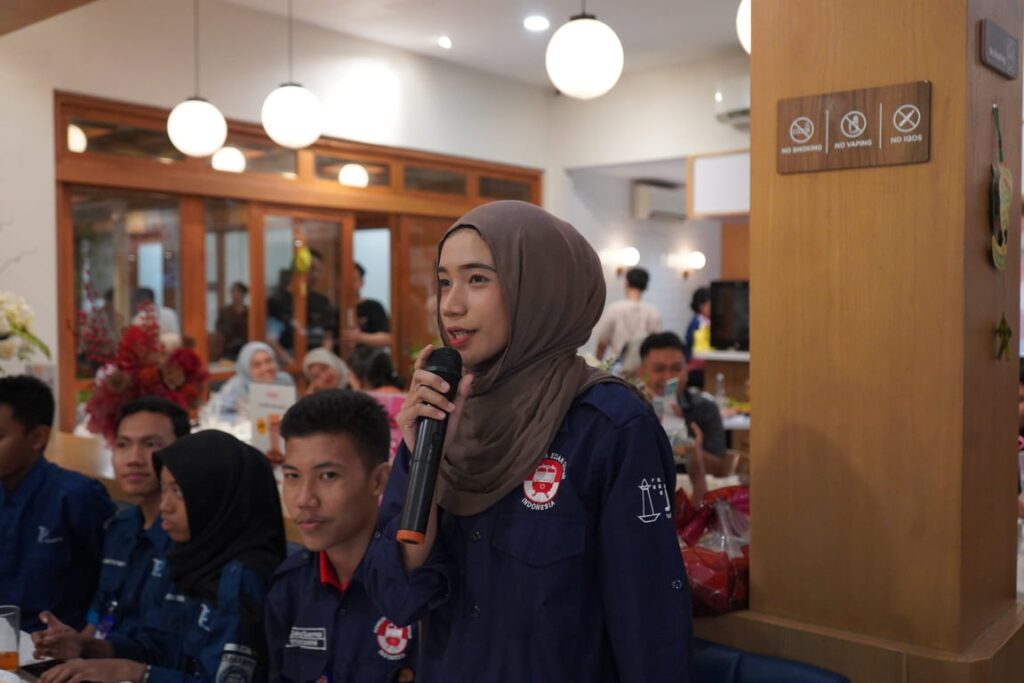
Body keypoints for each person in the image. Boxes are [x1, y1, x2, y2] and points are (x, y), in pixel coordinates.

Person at [362, 200, 692, 681]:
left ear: (539, 288)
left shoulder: (608, 426)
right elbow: (397, 598)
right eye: (445, 281)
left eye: (478, 279)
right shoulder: (440, 414)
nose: (451, 305)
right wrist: (423, 458)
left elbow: (648, 624)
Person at [39, 431, 286, 683]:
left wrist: (136, 673)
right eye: (163, 489)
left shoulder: (243, 575)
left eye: (179, 491)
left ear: (217, 497)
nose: (164, 506)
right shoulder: (198, 557)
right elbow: (167, 651)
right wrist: (88, 647)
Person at [266, 390, 416, 682]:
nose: (304, 499)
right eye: (293, 476)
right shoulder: (289, 588)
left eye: (328, 476)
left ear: (379, 480)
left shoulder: (418, 586)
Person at [32, 397, 191, 657]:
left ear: (183, 452)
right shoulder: (119, 527)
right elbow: (98, 617)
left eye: (151, 444)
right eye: (123, 445)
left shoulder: (187, 535)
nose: (134, 459)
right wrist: (71, 644)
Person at [0, 375, 116, 632]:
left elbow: (116, 578)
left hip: (51, 646)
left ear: (37, 437)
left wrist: (92, 636)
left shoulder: (77, 496)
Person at [639, 331, 731, 478]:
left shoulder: (705, 408)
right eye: (659, 369)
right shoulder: (632, 411)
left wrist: (685, 443)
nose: (668, 377)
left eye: (676, 368)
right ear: (641, 372)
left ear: (687, 371)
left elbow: (719, 470)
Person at [593, 266, 663, 362]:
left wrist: (597, 365)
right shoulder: (653, 312)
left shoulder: (614, 309)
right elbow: (656, 345)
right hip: (642, 365)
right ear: (646, 286)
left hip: (616, 365)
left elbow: (602, 342)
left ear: (626, 283)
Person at [215, 341, 295, 418]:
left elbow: (295, 411)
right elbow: (220, 416)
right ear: (246, 368)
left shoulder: (284, 381)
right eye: (257, 365)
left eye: (269, 361)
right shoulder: (235, 388)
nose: (265, 368)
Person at [342, 263, 392, 350]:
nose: (349, 284)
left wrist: (361, 337)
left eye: (353, 280)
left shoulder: (374, 306)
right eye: (345, 280)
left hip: (369, 356)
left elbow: (388, 339)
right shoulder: (335, 308)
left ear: (361, 282)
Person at [214, 282, 250, 361]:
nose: (234, 294)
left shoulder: (249, 312)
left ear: (243, 294)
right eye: (232, 291)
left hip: (245, 347)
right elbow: (219, 329)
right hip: (228, 349)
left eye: (237, 291)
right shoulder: (225, 311)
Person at [683, 287, 711, 389]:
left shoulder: (707, 320)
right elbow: (689, 342)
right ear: (700, 305)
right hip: (696, 365)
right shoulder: (696, 322)